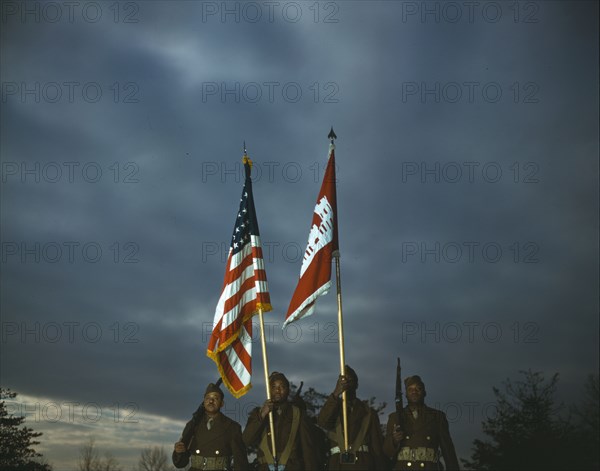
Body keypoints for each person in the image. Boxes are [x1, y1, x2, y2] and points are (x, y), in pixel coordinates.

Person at [243, 372, 318, 470]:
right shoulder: (258, 413)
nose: (278, 390)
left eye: (282, 387)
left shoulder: (298, 413)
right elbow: (245, 441)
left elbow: (308, 450)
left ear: (288, 390)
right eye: (274, 387)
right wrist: (262, 415)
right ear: (269, 390)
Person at [383, 375, 459, 470]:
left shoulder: (437, 417)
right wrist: (394, 440)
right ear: (406, 394)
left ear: (424, 392)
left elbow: (448, 451)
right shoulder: (395, 417)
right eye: (410, 389)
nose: (414, 391)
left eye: (418, 388)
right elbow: (386, 452)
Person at [317, 365, 386, 470]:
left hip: (362, 464)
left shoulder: (368, 412)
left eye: (350, 380)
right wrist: (336, 393)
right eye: (343, 380)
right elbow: (322, 422)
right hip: (338, 465)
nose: (346, 383)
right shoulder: (333, 407)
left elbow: (377, 448)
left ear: (357, 384)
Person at [173, 382, 249, 470]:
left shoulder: (232, 427)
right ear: (204, 402)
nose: (211, 401)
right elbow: (181, 463)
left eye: (215, 398)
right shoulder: (192, 425)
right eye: (208, 398)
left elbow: (241, 462)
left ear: (222, 403)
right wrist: (179, 452)